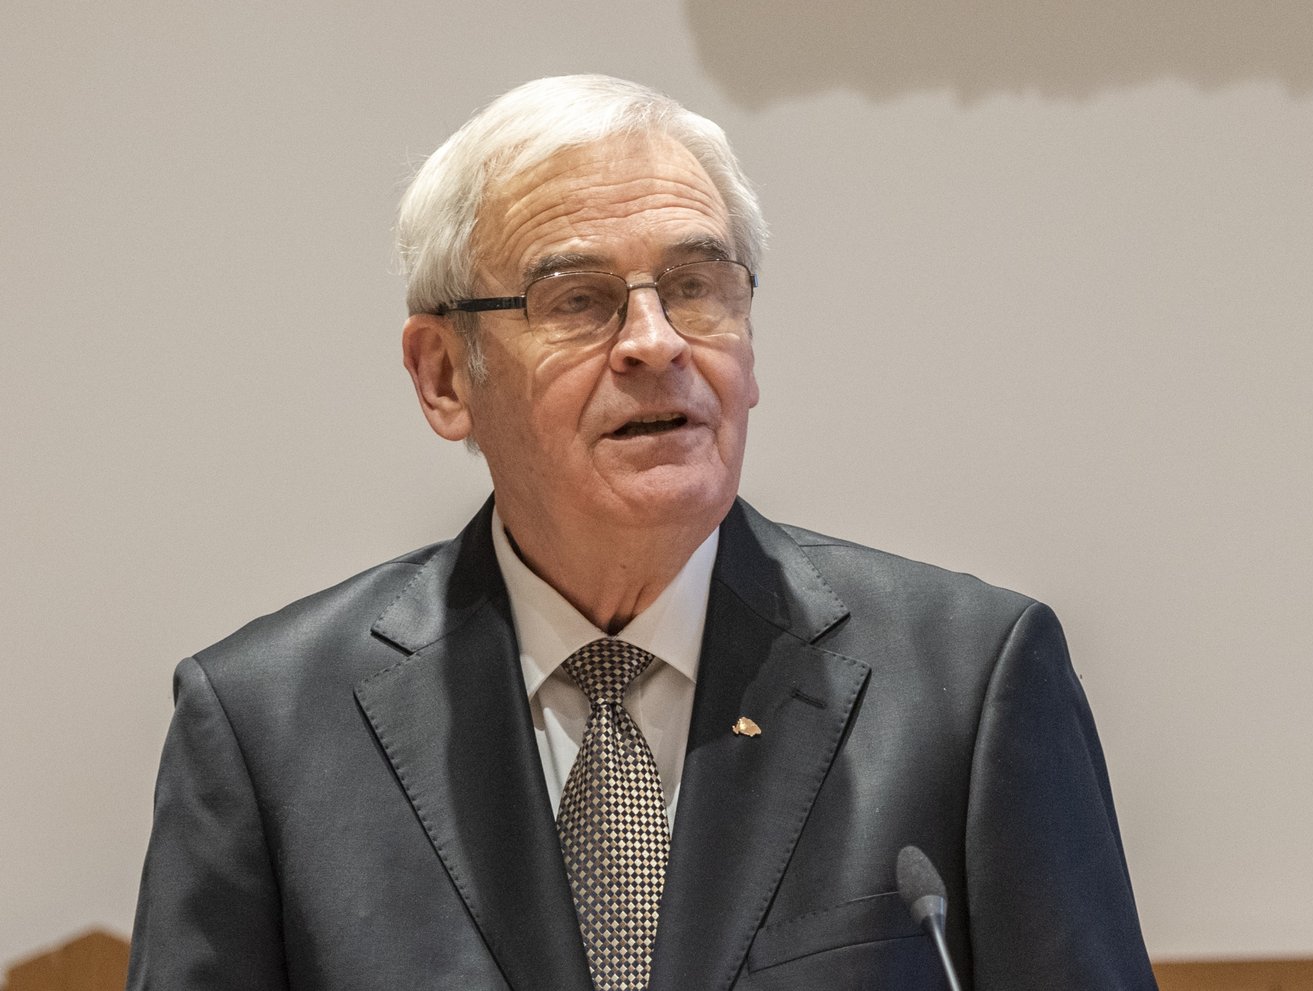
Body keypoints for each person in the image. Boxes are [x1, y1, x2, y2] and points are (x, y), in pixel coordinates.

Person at [127, 75, 1156, 991]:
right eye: (578, 301)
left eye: (697, 287)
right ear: (444, 376)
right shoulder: (268, 729)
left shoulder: (966, 686)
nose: (657, 343)